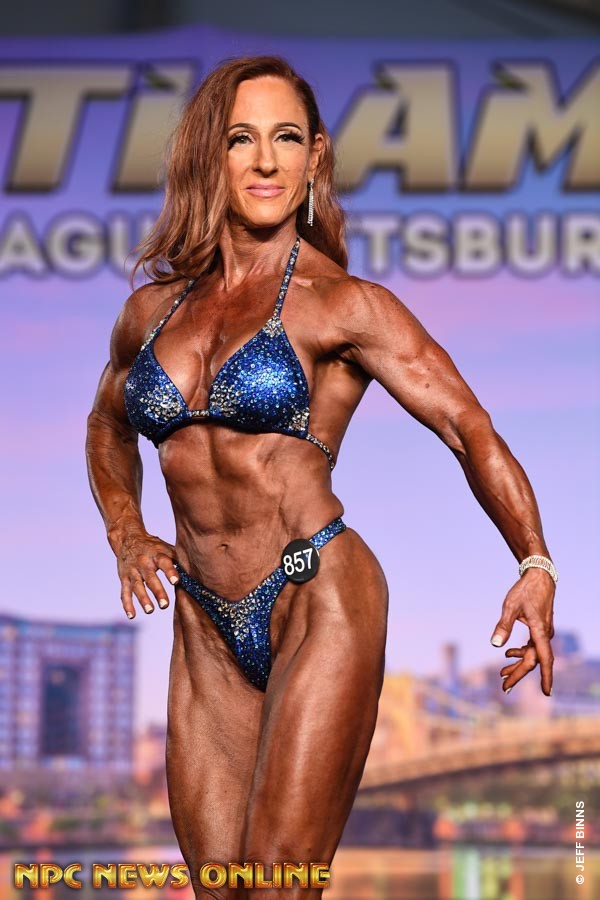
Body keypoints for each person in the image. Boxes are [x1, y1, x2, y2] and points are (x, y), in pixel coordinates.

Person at [85, 54, 556, 899]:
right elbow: (106, 424)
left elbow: (467, 427)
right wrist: (125, 532)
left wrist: (535, 560)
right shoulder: (149, 314)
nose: (265, 160)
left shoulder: (343, 303)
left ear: (315, 158)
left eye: (286, 138)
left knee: (279, 884)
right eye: (241, 138)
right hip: (204, 622)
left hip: (317, 592)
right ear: (210, 156)